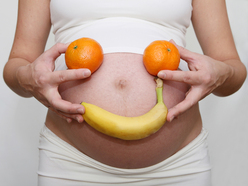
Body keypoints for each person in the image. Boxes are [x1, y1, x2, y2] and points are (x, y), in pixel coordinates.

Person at [3, 0, 247, 185]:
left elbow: (233, 69)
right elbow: (17, 63)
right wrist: (27, 76)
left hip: (179, 164)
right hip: (71, 162)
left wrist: (220, 73)